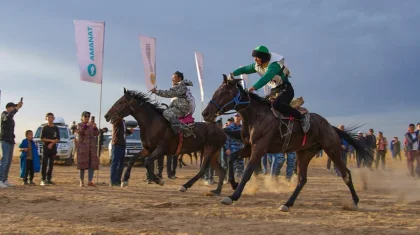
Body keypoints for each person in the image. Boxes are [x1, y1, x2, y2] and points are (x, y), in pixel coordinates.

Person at [231, 45, 310, 132]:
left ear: (263, 58)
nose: (255, 60)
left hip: (285, 89)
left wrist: (253, 88)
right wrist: (233, 74)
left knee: (277, 104)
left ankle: (302, 117)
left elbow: (266, 78)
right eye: (254, 57)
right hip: (274, 91)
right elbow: (245, 69)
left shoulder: (274, 65)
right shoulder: (257, 65)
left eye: (257, 57)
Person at [151, 71, 195, 136]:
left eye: (174, 78)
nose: (172, 79)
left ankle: (184, 128)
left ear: (179, 79)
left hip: (181, 109)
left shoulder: (181, 86)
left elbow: (170, 93)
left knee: (166, 113)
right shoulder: (178, 87)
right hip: (178, 107)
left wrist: (156, 91)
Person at [0, 101, 23, 188]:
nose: (14, 109)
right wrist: (17, 108)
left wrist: (17, 107)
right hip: (5, 140)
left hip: (10, 141)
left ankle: (4, 179)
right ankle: (0, 179)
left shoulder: (11, 118)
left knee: (8, 162)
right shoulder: (4, 114)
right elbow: (8, 117)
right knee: (4, 161)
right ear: (8, 108)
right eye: (13, 107)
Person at [76, 111, 100, 187]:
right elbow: (80, 132)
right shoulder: (80, 125)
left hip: (91, 148)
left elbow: (97, 134)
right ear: (82, 117)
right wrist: (86, 125)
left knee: (91, 165)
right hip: (83, 148)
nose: (87, 118)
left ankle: (90, 181)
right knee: (82, 165)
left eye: (88, 117)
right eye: (85, 116)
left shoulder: (91, 126)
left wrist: (95, 127)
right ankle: (81, 181)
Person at [110, 118, 133, 186]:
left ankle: (118, 180)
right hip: (116, 144)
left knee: (121, 164)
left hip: (123, 144)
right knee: (115, 163)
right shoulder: (116, 120)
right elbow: (113, 121)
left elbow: (123, 132)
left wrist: (129, 132)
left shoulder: (123, 122)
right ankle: (113, 181)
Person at [40, 112, 60, 186]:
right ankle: (43, 179)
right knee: (44, 164)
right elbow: (42, 138)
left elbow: (58, 138)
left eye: (52, 117)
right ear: (46, 118)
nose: (50, 119)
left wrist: (52, 143)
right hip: (46, 148)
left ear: (54, 118)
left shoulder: (56, 128)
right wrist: (50, 141)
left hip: (53, 148)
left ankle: (49, 179)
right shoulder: (45, 128)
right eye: (49, 117)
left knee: (51, 164)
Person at [225, 113, 244, 179]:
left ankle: (239, 178)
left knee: (240, 164)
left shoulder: (243, 127)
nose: (237, 117)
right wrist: (227, 148)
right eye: (236, 116)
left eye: (239, 116)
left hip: (241, 148)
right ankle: (229, 178)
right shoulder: (230, 127)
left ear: (241, 118)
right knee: (232, 164)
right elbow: (227, 139)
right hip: (232, 149)